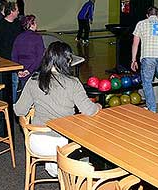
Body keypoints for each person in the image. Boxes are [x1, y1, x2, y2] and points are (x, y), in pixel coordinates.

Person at [14, 41, 100, 176]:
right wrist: (98, 106)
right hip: (62, 145)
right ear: (67, 61)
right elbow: (89, 110)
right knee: (92, 138)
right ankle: (71, 169)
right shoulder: (73, 83)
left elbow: (18, 111)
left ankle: (54, 165)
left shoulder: (34, 80)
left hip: (35, 141)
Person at [131, 6, 158, 113]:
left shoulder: (141, 23)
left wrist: (133, 60)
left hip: (148, 55)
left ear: (147, 15)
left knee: (147, 82)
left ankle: (152, 108)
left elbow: (135, 44)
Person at [0, 1, 22, 102]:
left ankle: (14, 105)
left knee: (15, 83)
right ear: (12, 11)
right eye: (17, 10)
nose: (18, 12)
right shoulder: (0, 26)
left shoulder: (18, 25)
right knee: (6, 86)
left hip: (16, 60)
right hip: (5, 61)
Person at [12, 15, 45, 86]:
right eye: (35, 23)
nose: (36, 25)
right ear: (32, 25)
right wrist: (29, 70)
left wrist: (18, 70)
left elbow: (14, 55)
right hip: (33, 71)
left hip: (21, 69)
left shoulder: (18, 37)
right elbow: (40, 56)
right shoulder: (37, 37)